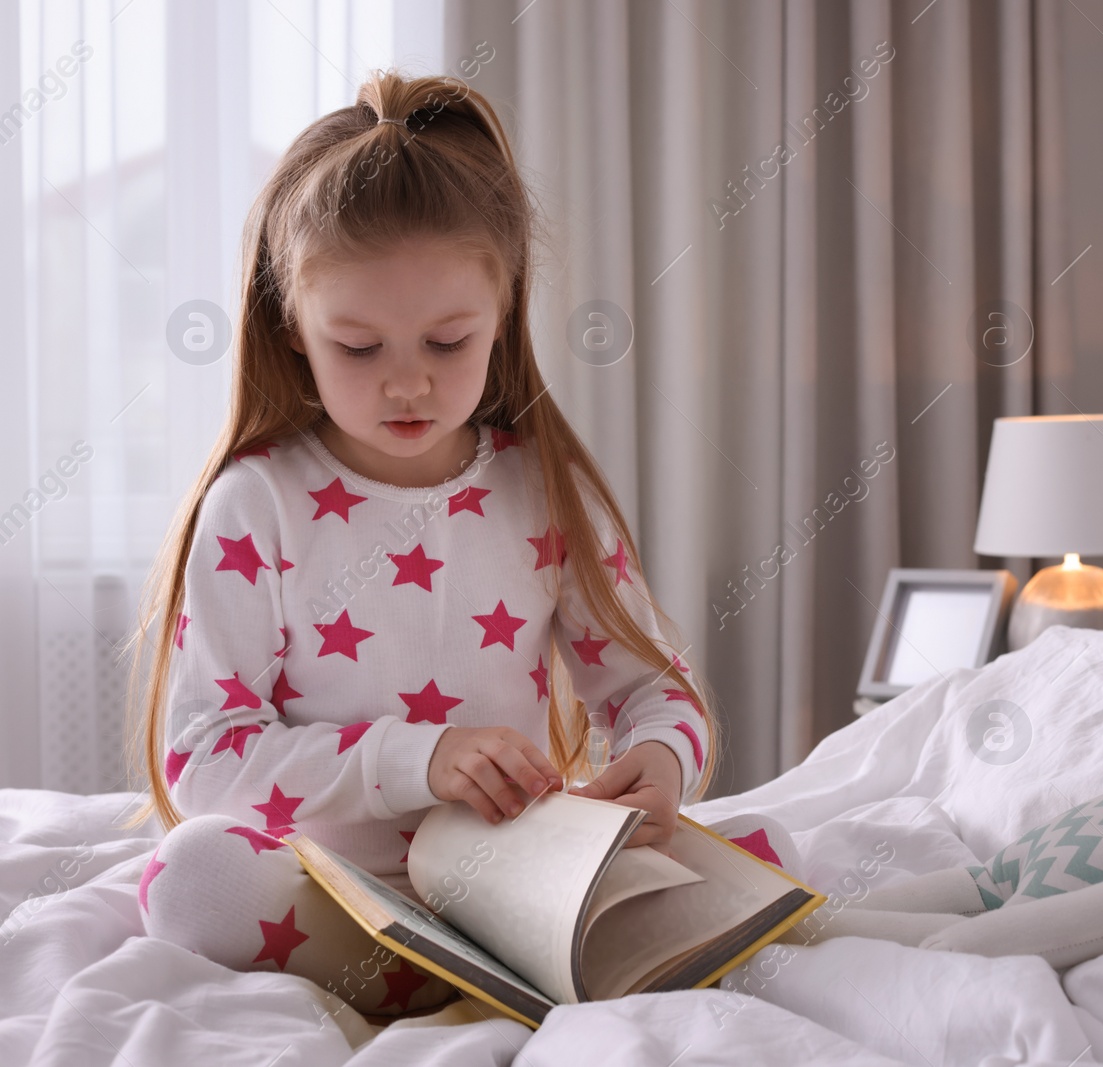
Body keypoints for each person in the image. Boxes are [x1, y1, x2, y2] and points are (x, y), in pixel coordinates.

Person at [116, 68, 760, 1021]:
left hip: (515, 872)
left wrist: (662, 762)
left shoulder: (545, 491)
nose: (408, 385)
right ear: (293, 326)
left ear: (503, 316)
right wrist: (417, 758)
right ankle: (437, 973)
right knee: (191, 877)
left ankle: (504, 958)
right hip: (326, 878)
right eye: (361, 348)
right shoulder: (255, 506)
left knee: (760, 845)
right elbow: (204, 759)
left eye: (449, 342)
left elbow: (652, 686)